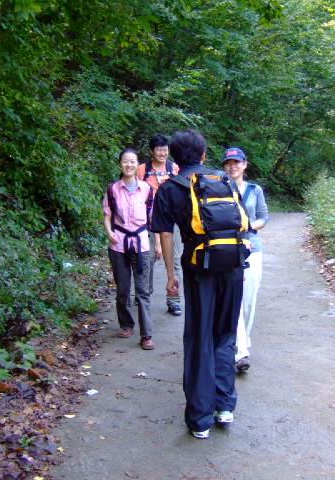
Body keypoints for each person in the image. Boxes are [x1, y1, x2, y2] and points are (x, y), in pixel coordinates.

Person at [151, 130, 245, 439]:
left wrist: (171, 275)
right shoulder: (223, 180)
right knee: (225, 335)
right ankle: (225, 407)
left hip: (199, 269)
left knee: (199, 338)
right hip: (233, 266)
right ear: (203, 155)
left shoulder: (170, 188)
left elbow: (165, 235)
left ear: (175, 159)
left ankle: (200, 419)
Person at [222, 147, 269, 373]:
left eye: (237, 162)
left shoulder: (254, 190)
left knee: (249, 301)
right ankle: (241, 352)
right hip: (227, 249)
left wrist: (248, 227)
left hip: (253, 249)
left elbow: (263, 217)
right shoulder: (220, 188)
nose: (233, 166)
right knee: (235, 299)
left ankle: (244, 341)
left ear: (244, 164)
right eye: (229, 162)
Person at [103, 148, 155, 350]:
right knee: (123, 289)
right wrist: (109, 232)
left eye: (133, 161)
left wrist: (158, 244)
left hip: (141, 244)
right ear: (120, 164)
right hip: (119, 244)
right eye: (125, 161)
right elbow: (107, 216)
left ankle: (146, 335)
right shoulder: (112, 190)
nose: (129, 165)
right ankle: (126, 324)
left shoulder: (147, 189)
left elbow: (152, 219)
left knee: (142, 291)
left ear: (137, 164)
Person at [136, 134, 183, 316]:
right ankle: (144, 296)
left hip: (172, 221)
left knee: (175, 260)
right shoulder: (142, 170)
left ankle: (174, 300)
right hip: (146, 222)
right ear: (151, 151)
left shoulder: (174, 168)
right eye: (159, 150)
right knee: (146, 260)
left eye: (165, 150)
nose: (162, 153)